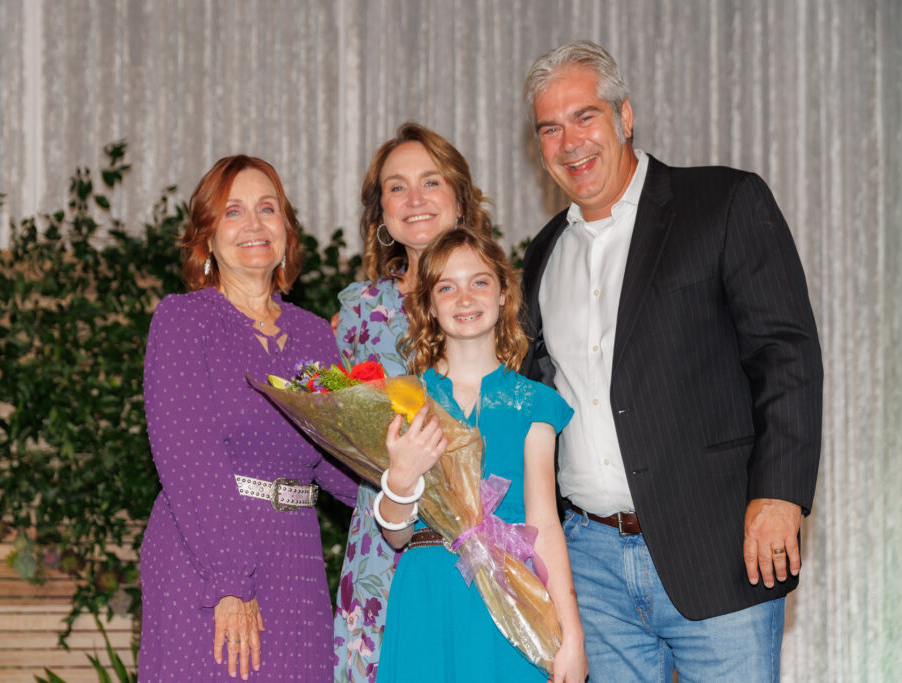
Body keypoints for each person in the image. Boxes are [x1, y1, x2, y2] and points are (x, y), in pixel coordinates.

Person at [519, 40, 823, 681]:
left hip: (717, 551)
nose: (570, 141)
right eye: (550, 127)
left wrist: (779, 496)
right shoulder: (543, 255)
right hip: (592, 570)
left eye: (585, 117)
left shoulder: (723, 203)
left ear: (625, 116)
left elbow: (785, 354)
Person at [140, 155, 358, 680]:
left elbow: (336, 460)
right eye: (233, 212)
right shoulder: (183, 321)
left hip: (297, 558)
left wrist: (406, 482)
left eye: (268, 208)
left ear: (286, 229)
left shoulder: (315, 337)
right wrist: (231, 581)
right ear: (206, 238)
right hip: (208, 562)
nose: (255, 224)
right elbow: (188, 456)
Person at [374, 228, 588, 683]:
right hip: (427, 596)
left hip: (511, 594)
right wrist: (402, 476)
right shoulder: (406, 400)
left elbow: (546, 524)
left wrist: (572, 636)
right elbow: (394, 535)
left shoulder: (534, 403)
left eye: (479, 282)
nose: (464, 297)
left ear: (504, 293)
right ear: (429, 304)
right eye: (446, 287)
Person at [332, 122, 494, 682]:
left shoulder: (503, 299)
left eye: (431, 181)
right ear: (380, 212)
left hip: (486, 540)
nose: (415, 199)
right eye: (396, 187)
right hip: (384, 547)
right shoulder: (357, 315)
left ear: (460, 198)